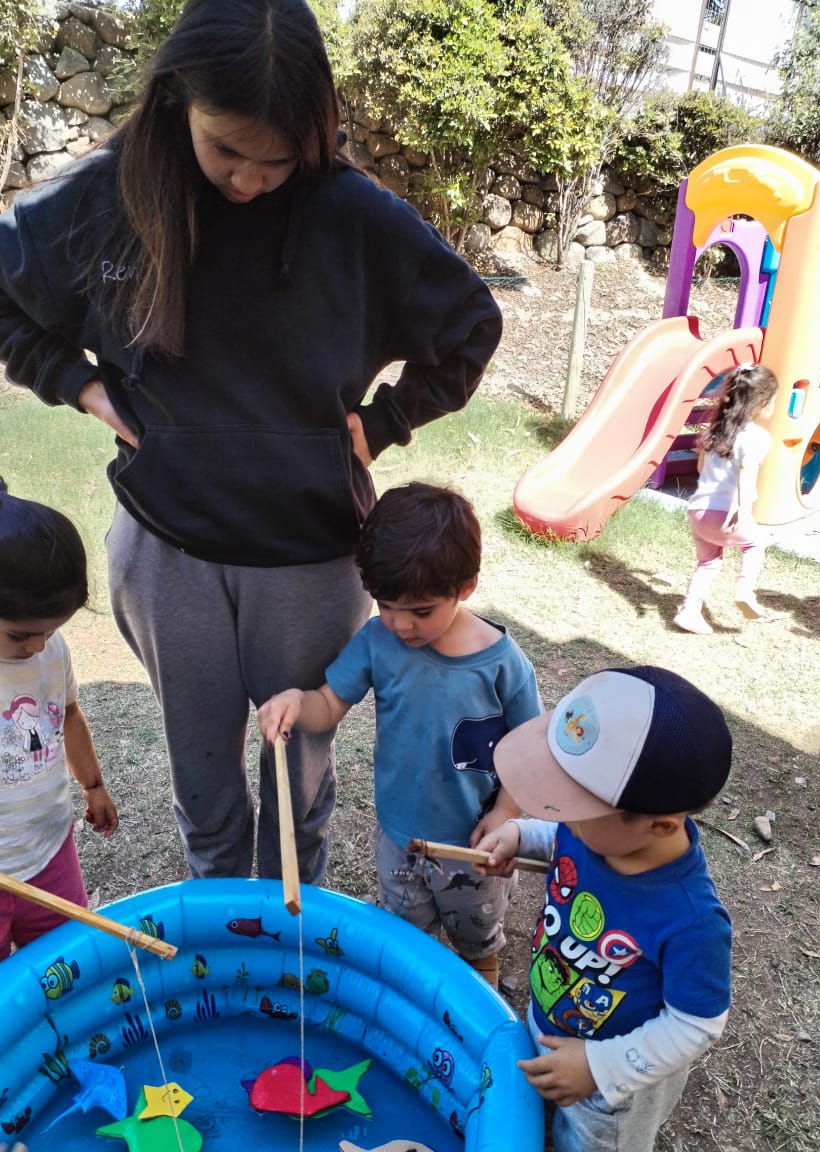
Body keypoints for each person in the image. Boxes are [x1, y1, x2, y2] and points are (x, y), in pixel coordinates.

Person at [0, 0, 502, 884]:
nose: (251, 181)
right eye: (227, 150)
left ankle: (289, 939)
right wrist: (77, 384)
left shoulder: (354, 215)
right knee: (204, 786)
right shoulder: (111, 194)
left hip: (309, 558)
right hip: (167, 550)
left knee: (297, 784)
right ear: (177, 104)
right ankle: (220, 938)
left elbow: (471, 324)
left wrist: (385, 422)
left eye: (279, 160)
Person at [258, 482, 542, 987]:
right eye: (385, 605)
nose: (400, 624)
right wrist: (297, 702)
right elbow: (329, 703)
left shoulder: (502, 663)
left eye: (421, 611)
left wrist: (504, 813)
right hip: (399, 839)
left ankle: (480, 1002)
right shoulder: (377, 641)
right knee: (407, 942)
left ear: (466, 587)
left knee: (476, 942)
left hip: (474, 844)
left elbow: (529, 748)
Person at [474, 665, 733, 1152]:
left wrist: (598, 1067)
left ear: (660, 826)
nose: (559, 812)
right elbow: (560, 837)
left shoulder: (692, 921)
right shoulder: (595, 829)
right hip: (550, 1022)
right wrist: (519, 835)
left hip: (612, 1092)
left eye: (574, 806)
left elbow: (696, 1024)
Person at [0, 480, 118, 961]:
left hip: (50, 851)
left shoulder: (50, 651)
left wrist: (93, 785)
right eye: (20, 635)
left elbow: (67, 714)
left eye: (51, 631)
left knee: (67, 965)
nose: (38, 646)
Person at [674, 362, 779, 635]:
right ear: (760, 403)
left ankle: (690, 611)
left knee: (708, 562)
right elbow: (746, 470)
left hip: (698, 512)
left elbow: (701, 468)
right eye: (773, 401)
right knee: (755, 543)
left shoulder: (714, 431)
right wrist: (743, 509)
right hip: (726, 513)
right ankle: (744, 590)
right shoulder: (757, 437)